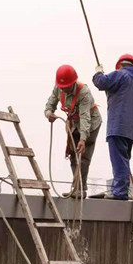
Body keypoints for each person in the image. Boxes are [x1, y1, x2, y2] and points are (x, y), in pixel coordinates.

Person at [92, 54, 133, 200]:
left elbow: (101, 83)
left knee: (118, 160)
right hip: (131, 130)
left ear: (120, 65)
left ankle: (120, 192)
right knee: (123, 159)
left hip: (118, 126)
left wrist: (98, 72)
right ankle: (121, 189)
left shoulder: (120, 75)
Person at [44, 65, 102, 199]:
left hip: (91, 124)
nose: (64, 89)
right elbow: (50, 104)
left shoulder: (83, 92)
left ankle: (80, 189)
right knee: (72, 155)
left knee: (83, 156)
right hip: (73, 123)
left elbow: (86, 118)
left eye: (67, 87)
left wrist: (83, 139)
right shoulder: (58, 88)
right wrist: (49, 113)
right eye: (62, 87)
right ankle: (76, 187)